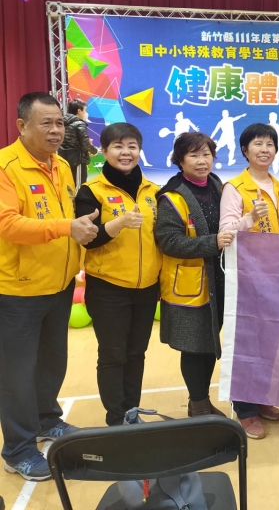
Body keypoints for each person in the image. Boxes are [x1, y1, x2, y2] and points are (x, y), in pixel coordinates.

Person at [0, 92, 98, 481]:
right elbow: (7, 223)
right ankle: (18, 449)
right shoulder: (6, 167)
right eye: (47, 123)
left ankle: (46, 418)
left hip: (58, 284)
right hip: (18, 290)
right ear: (22, 126)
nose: (56, 130)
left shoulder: (60, 165)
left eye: (60, 123)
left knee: (52, 361)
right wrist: (66, 228)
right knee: (16, 373)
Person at [74, 123, 162, 426]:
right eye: (118, 146)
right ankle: (116, 418)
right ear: (104, 151)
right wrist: (118, 224)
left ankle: (131, 411)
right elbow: (87, 238)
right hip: (108, 288)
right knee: (113, 355)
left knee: (137, 353)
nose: (126, 152)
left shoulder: (153, 191)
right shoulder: (91, 191)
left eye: (132, 146)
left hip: (146, 287)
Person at [155, 133, 234, 422]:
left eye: (206, 154)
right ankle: (198, 403)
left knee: (209, 342)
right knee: (194, 346)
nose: (202, 161)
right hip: (190, 285)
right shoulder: (172, 197)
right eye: (194, 155)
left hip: (219, 280)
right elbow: (168, 241)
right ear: (180, 160)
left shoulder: (218, 186)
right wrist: (213, 242)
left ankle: (203, 400)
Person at [219, 123, 279, 439]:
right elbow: (226, 233)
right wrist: (249, 219)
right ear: (245, 150)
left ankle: (261, 398)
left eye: (270, 144)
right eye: (257, 143)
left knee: (271, 343)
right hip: (247, 279)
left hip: (278, 277)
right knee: (247, 343)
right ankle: (245, 410)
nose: (264, 149)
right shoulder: (234, 188)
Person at [58, 99, 98, 187]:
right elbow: (85, 143)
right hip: (77, 160)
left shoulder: (62, 123)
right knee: (79, 186)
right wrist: (94, 151)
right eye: (85, 110)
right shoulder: (79, 123)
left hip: (63, 158)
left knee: (67, 185)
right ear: (79, 111)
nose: (86, 113)